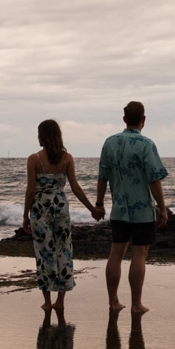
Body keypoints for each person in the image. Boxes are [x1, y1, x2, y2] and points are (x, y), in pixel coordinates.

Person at [22, 119, 105, 310]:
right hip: (61, 208)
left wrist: (25, 216)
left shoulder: (34, 159)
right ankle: (60, 301)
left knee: (44, 253)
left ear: (41, 136)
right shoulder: (67, 159)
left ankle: (47, 302)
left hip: (41, 209)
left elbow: (30, 191)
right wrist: (92, 209)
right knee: (64, 251)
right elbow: (75, 188)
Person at [95, 101, 169, 314]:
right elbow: (154, 180)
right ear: (143, 120)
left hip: (119, 209)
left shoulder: (110, 143)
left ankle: (113, 301)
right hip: (142, 211)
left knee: (115, 254)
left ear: (124, 119)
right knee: (139, 255)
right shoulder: (146, 144)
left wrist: (99, 204)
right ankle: (136, 304)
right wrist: (162, 208)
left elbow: (102, 177)